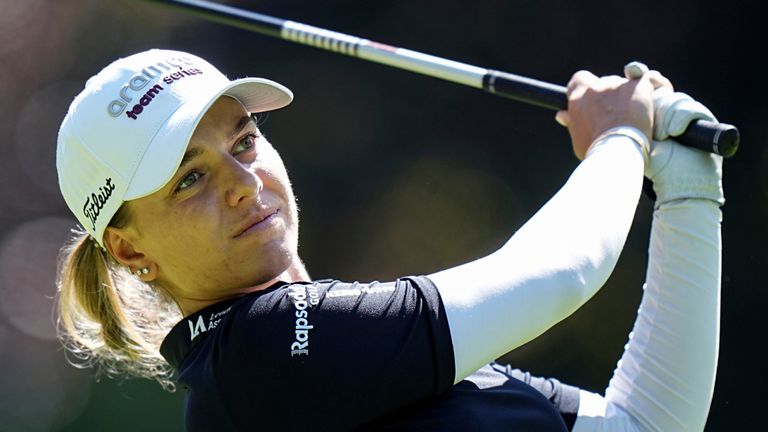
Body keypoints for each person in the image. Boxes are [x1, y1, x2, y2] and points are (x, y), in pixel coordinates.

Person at [55, 49, 723, 431]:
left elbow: (645, 424)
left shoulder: (358, 353)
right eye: (189, 178)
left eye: (244, 139)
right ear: (129, 249)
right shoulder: (259, 359)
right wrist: (620, 140)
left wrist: (689, 191)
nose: (241, 181)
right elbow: (560, 274)